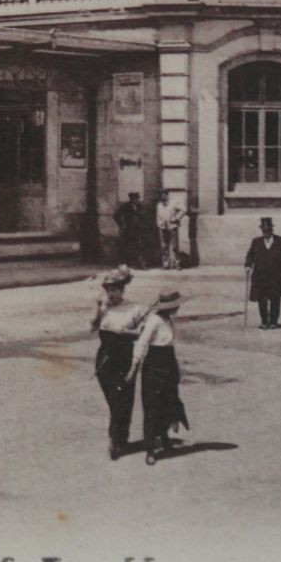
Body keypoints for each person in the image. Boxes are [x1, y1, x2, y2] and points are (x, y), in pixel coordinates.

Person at [126, 290, 190, 465]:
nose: (178, 308)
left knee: (168, 402)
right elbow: (141, 343)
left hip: (169, 364)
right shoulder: (154, 321)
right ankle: (150, 449)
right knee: (152, 406)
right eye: (175, 305)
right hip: (154, 367)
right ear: (168, 306)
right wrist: (134, 367)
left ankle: (165, 438)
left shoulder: (168, 320)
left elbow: (169, 345)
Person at [90, 266, 148, 460]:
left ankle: (116, 440)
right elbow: (92, 327)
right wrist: (98, 310)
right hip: (105, 359)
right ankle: (120, 436)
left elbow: (144, 332)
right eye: (108, 290)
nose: (111, 293)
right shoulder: (103, 307)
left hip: (125, 358)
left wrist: (128, 333)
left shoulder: (135, 308)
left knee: (122, 398)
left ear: (122, 290)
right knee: (114, 401)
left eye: (114, 289)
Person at [243, 217, 281, 330]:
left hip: (276, 276)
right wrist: (247, 265)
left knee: (275, 298)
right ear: (261, 230)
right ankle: (264, 321)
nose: (266, 232)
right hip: (260, 276)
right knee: (262, 299)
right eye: (264, 230)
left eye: (268, 229)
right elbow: (250, 255)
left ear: (272, 229)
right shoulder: (256, 242)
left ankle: (274, 321)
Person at [157, 190, 187, 270]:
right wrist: (159, 224)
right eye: (161, 195)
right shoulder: (159, 205)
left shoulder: (174, 203)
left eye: (164, 195)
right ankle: (165, 264)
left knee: (175, 246)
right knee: (163, 246)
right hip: (163, 228)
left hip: (172, 227)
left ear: (167, 195)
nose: (162, 197)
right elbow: (158, 216)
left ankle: (177, 264)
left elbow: (184, 209)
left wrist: (176, 218)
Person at [113, 193, 144, 266]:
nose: (137, 200)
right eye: (135, 198)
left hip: (137, 230)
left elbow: (142, 217)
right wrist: (121, 225)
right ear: (131, 199)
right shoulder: (125, 207)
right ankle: (127, 263)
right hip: (128, 230)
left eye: (137, 198)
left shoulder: (139, 207)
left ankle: (137, 263)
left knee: (137, 246)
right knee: (127, 247)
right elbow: (115, 215)